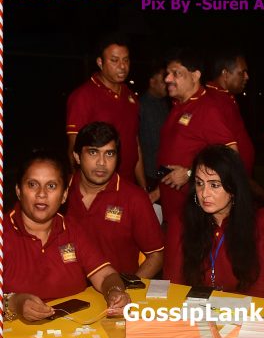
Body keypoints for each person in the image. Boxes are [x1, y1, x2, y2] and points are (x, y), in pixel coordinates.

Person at [3, 150, 131, 322]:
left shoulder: (72, 230)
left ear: (64, 195)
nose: (41, 193)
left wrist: (115, 292)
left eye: (51, 186)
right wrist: (15, 303)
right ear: (18, 191)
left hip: (74, 331)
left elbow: (106, 275)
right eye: (32, 184)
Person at [164, 145, 264, 299]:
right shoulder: (181, 221)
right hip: (194, 308)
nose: (204, 194)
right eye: (199, 183)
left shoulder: (261, 222)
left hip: (246, 309)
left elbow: (262, 291)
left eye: (214, 185)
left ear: (233, 187)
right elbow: (173, 285)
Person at [66, 122, 164, 278]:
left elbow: (156, 255)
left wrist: (128, 287)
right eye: (93, 152)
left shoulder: (134, 198)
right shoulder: (59, 193)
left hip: (119, 288)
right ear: (77, 156)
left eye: (109, 154)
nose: (101, 162)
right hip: (67, 289)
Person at [157, 48, 239, 225]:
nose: (167, 79)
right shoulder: (178, 106)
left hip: (194, 214)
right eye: (167, 73)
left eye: (176, 73)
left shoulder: (207, 109)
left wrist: (189, 173)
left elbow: (231, 155)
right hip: (172, 210)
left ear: (195, 76)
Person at [66, 33, 147, 190]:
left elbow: (135, 143)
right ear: (100, 62)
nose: (122, 66)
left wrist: (143, 187)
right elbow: (73, 151)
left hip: (128, 186)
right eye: (114, 60)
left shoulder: (131, 96)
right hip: (99, 188)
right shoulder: (83, 96)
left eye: (126, 60)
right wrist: (83, 190)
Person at [206, 51, 254, 176]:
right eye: (242, 72)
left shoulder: (226, 96)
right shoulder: (212, 101)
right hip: (229, 177)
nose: (247, 77)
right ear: (225, 74)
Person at [139, 63, 170, 191]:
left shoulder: (164, 103)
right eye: (163, 82)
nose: (167, 84)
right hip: (150, 172)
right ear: (152, 82)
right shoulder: (141, 106)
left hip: (163, 169)